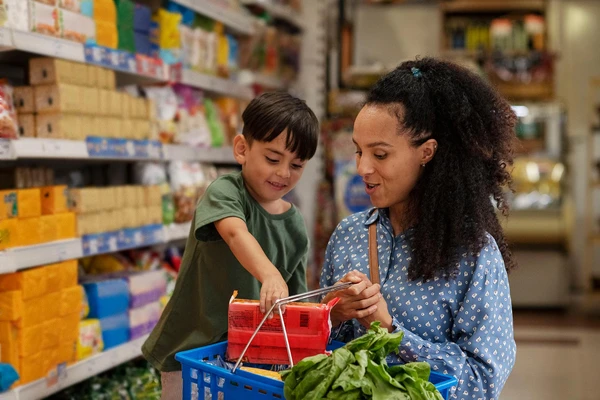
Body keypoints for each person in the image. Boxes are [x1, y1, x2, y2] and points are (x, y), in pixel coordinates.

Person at [320, 57, 517, 400]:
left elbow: (482, 381)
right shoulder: (348, 236)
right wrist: (329, 315)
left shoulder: (473, 253)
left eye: (380, 155)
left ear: (427, 152)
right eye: (358, 151)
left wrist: (390, 330)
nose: (363, 168)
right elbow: (312, 359)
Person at [144, 91, 319, 399]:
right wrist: (269, 274)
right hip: (193, 349)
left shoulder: (295, 225)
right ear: (242, 149)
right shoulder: (225, 192)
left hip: (250, 360)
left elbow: (296, 302)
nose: (283, 173)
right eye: (273, 158)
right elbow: (236, 234)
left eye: (297, 165)